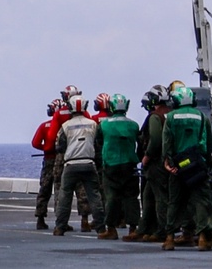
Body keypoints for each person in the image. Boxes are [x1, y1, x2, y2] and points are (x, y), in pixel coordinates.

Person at [161, 85, 212, 252]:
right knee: (201, 202)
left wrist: (168, 162)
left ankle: (169, 238)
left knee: (175, 202)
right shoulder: (201, 117)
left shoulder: (170, 117)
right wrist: (205, 162)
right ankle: (203, 238)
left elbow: (167, 142)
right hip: (197, 165)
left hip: (177, 166)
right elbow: (207, 143)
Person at [53, 95, 106, 236]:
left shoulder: (65, 126)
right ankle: (101, 227)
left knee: (65, 196)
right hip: (89, 163)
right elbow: (98, 144)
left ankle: (60, 227)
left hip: (71, 164)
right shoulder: (93, 124)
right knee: (94, 195)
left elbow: (59, 146)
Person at [95, 94, 141, 241]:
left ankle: (111, 228)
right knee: (131, 198)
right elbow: (140, 143)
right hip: (129, 164)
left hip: (110, 166)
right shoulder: (133, 125)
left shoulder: (104, 125)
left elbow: (98, 142)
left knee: (111, 198)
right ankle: (133, 229)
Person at [128, 85, 170, 243]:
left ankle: (162, 231)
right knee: (148, 196)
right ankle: (144, 228)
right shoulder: (168, 115)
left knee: (159, 198)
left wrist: (146, 157)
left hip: (155, 163)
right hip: (164, 161)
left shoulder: (154, 117)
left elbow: (156, 140)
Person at [31, 99, 63, 230]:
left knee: (44, 189)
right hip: (62, 160)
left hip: (49, 160)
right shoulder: (65, 126)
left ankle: (40, 217)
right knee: (60, 190)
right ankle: (61, 220)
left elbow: (35, 143)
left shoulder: (44, 126)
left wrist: (46, 148)